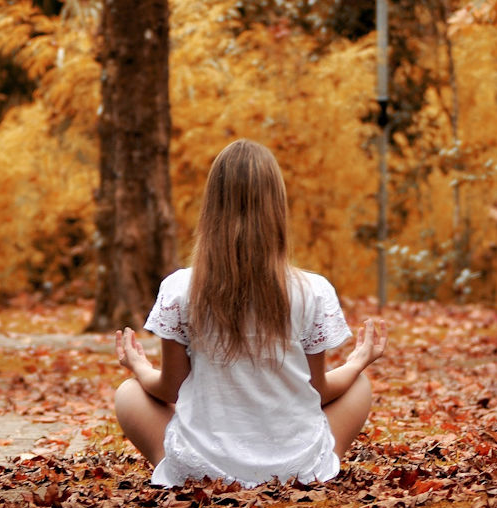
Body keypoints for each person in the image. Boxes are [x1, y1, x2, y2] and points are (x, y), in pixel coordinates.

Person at [113, 139, 388, 488]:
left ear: (212, 207)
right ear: (277, 208)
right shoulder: (312, 290)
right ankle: (310, 469)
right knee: (359, 385)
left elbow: (170, 389)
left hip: (203, 472)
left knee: (128, 393)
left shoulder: (180, 289)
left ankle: (189, 471)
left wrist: (137, 366)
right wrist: (358, 361)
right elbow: (317, 392)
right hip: (293, 472)